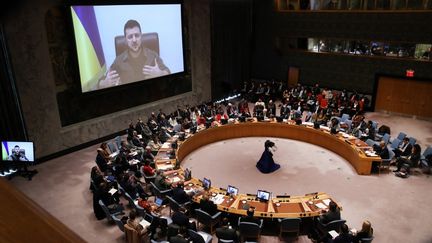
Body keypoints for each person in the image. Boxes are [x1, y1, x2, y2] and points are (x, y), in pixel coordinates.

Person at [98, 19, 170, 89]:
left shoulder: (152, 55)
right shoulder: (118, 61)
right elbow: (101, 81)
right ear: (126, 40)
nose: (134, 40)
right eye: (130, 37)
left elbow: (168, 72)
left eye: (137, 35)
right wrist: (105, 83)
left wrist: (160, 74)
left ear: (141, 36)